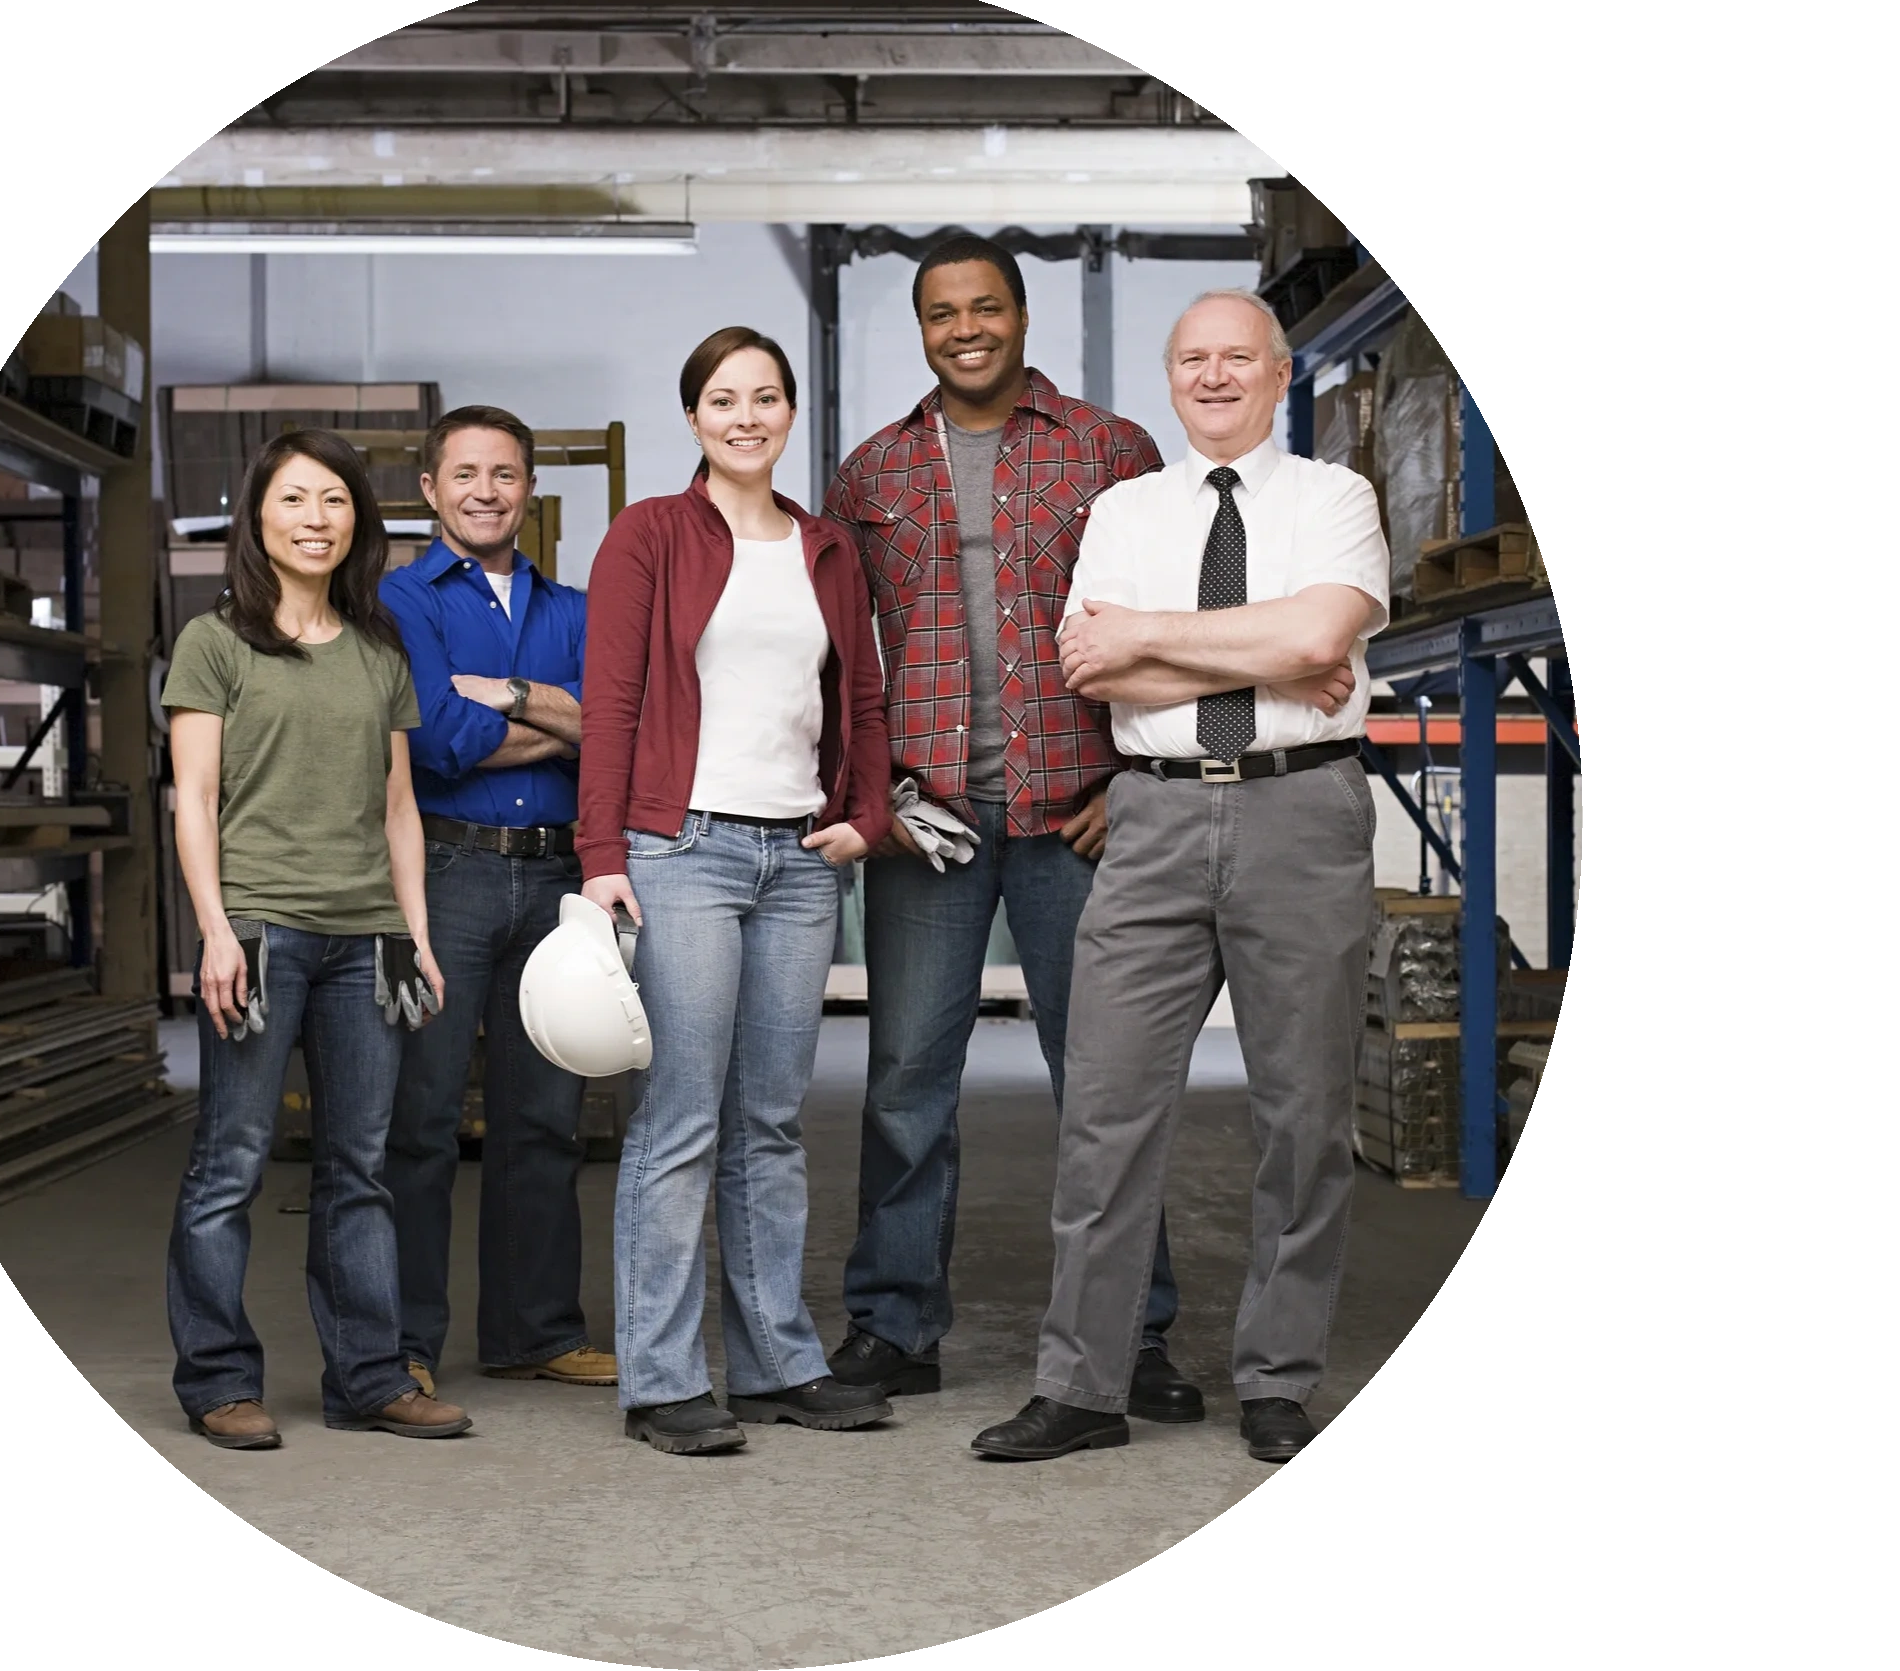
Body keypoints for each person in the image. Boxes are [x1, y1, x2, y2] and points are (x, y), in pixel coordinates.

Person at [972, 288, 1386, 1465]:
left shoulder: (1334, 498)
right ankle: (1083, 1384)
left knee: (1302, 1117)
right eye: (1192, 357)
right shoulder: (1121, 508)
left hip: (1302, 810)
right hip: (1146, 823)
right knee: (1104, 1113)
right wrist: (1252, 642)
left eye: (1235, 357)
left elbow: (1318, 647)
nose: (1213, 375)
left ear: (1277, 371)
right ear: (1171, 377)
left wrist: (1163, 635)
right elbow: (1090, 669)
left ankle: (1276, 1379)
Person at [819, 233, 1203, 1424]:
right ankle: (893, 1324)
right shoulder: (872, 471)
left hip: (1076, 814)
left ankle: (1126, 1332)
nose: (964, 328)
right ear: (922, 327)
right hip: (929, 822)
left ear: (1022, 316)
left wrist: (1135, 783)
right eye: (942, 312)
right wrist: (869, 797)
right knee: (904, 1082)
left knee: (1104, 1084)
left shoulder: (1110, 449)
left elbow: (1173, 624)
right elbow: (844, 653)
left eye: (985, 306)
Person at [577, 325, 895, 1456]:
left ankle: (774, 1364)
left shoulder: (827, 546)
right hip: (683, 851)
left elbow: (859, 693)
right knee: (679, 1119)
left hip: (800, 860)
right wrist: (601, 853)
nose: (746, 416)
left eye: (765, 397)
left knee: (770, 1122)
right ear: (695, 416)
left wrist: (869, 811)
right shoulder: (649, 534)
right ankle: (663, 1381)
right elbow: (609, 702)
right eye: (723, 398)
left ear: (790, 413)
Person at [159, 428, 471, 1451]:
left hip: (363, 940)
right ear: (258, 516)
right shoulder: (215, 643)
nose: (315, 519)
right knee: (231, 1162)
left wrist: (416, 933)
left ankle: (370, 1378)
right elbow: (193, 800)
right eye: (294, 500)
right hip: (257, 932)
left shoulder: (378, 650)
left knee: (360, 1167)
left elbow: (397, 811)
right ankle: (217, 1381)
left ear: (358, 521)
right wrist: (213, 931)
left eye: (334, 501)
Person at [377, 405, 618, 1397]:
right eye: (465, 473)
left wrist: (507, 696)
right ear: (431, 489)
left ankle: (535, 1330)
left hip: (558, 878)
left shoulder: (576, 608)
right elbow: (433, 739)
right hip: (450, 871)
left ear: (529, 490)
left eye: (505, 473)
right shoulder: (400, 599)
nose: (486, 490)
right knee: (424, 1114)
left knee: (546, 1116)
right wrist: (562, 715)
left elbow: (619, 725)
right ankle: (403, 1341)